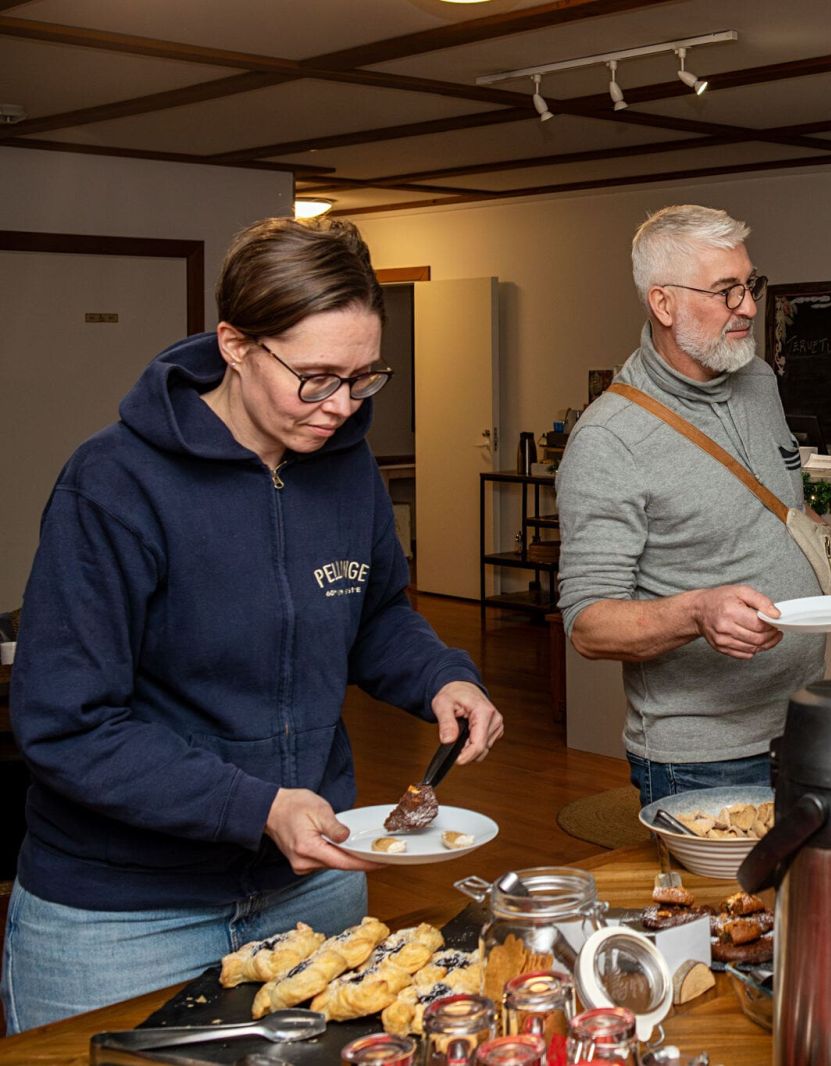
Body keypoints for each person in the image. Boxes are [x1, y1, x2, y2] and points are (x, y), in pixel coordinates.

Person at [2, 217, 504, 1031]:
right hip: (123, 916)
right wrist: (258, 806)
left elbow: (373, 615)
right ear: (235, 345)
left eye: (363, 378)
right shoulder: (115, 482)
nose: (341, 406)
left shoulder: (347, 472)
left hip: (314, 888)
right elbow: (67, 723)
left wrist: (440, 675)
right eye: (314, 377)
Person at [557, 204, 831, 804]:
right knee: (717, 905)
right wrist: (697, 613)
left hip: (802, 720)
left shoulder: (759, 381)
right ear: (662, 304)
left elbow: (786, 512)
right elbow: (587, 623)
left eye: (750, 284)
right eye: (725, 291)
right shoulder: (610, 439)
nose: (748, 306)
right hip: (702, 758)